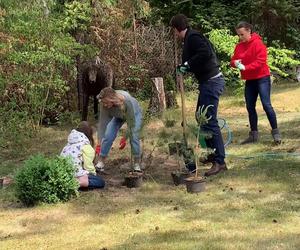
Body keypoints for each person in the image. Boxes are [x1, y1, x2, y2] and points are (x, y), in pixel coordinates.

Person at [170, 14, 227, 177]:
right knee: (200, 117)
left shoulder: (193, 37)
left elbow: (205, 53)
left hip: (212, 81)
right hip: (207, 82)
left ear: (176, 29)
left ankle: (220, 161)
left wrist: (187, 65)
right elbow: (198, 58)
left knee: (208, 120)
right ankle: (211, 153)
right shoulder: (189, 38)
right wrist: (184, 67)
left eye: (173, 30)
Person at [230, 21, 281, 144]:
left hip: (262, 77)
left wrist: (246, 68)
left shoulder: (258, 44)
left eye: (242, 34)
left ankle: (276, 133)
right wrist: (235, 63)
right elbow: (232, 60)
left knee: (266, 105)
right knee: (250, 106)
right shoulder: (239, 46)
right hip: (250, 80)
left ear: (249, 31)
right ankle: (253, 135)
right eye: (238, 35)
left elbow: (261, 61)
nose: (240, 37)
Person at [96, 87, 143, 173]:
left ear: (112, 99)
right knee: (108, 135)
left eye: (106, 103)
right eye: (103, 103)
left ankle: (137, 163)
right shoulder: (105, 105)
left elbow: (131, 124)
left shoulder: (127, 102)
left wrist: (124, 138)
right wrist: (99, 144)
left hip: (134, 115)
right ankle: (101, 162)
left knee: (134, 137)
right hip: (118, 116)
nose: (104, 105)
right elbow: (102, 125)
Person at [61, 121, 105, 189]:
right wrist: (93, 174)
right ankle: (78, 183)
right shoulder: (86, 146)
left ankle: (69, 181)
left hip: (64, 173)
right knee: (100, 182)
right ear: (89, 134)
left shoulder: (69, 143)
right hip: (76, 174)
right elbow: (88, 167)